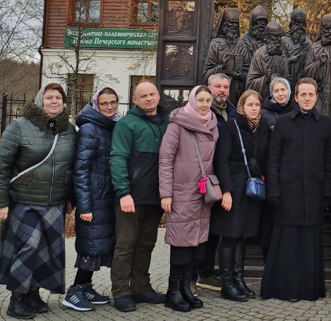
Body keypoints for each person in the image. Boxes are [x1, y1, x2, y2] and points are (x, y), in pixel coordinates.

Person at [0, 83, 77, 319]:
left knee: (46, 250)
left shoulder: (68, 130)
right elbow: (0, 167)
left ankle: (32, 293)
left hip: (55, 202)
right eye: (49, 97)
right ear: (40, 100)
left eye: (58, 98)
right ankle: (16, 299)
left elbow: (72, 168)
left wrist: (71, 198)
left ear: (64, 102)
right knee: (28, 247)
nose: (54, 102)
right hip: (24, 201)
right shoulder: (19, 127)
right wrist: (0, 202)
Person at [262, 78, 331, 301]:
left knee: (309, 244)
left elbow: (330, 163)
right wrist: (273, 191)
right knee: (287, 244)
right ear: (295, 97)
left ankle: (308, 289)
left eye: (310, 94)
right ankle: (285, 289)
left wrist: (327, 193)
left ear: (316, 97)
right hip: (287, 194)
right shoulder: (284, 123)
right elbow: (273, 160)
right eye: (302, 94)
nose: (306, 98)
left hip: (314, 195)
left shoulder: (325, 124)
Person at [109, 81, 170, 312]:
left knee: (146, 244)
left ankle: (141, 287)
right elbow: (117, 158)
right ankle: (121, 292)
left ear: (158, 95)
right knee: (125, 245)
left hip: (155, 197)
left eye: (152, 94)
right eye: (143, 96)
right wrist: (123, 192)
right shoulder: (127, 124)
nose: (148, 99)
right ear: (134, 100)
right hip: (131, 198)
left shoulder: (168, 122)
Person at [158, 85, 219, 312]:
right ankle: (172, 291)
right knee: (181, 243)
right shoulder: (177, 126)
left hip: (203, 194)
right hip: (182, 193)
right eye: (200, 100)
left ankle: (185, 288)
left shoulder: (212, 124)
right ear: (192, 101)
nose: (204, 104)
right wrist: (166, 193)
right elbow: (165, 160)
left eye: (207, 100)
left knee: (196, 244)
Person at [64, 88, 121, 311]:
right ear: (96, 104)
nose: (109, 107)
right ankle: (75, 291)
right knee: (91, 246)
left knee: (100, 245)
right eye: (104, 103)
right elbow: (81, 170)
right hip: (93, 200)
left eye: (113, 102)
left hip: (105, 197)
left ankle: (86, 286)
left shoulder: (111, 125)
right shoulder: (89, 129)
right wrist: (84, 205)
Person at [211, 89, 270, 301]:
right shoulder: (231, 126)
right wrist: (226, 191)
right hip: (234, 188)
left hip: (252, 190)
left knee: (242, 237)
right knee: (230, 236)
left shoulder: (263, 129)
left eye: (257, 105)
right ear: (242, 107)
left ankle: (239, 279)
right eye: (249, 105)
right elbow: (221, 160)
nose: (254, 108)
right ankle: (227, 283)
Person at [195, 73, 236, 290]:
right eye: (217, 86)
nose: (222, 90)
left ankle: (207, 272)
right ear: (208, 88)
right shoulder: (200, 111)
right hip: (204, 178)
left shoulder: (234, 112)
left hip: (226, 177)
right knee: (201, 229)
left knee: (216, 229)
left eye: (225, 87)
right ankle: (197, 273)